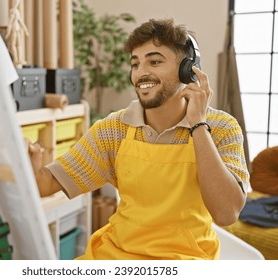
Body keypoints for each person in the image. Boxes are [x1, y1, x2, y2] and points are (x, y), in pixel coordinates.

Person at [27, 18, 250, 260]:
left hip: (185, 259)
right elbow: (46, 184)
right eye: (135, 64)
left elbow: (227, 214)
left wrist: (198, 124)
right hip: (115, 254)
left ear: (189, 70)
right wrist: (28, 161)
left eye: (154, 61)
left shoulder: (221, 128)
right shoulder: (113, 130)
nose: (141, 73)